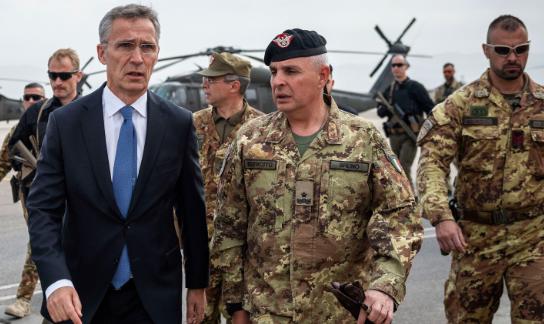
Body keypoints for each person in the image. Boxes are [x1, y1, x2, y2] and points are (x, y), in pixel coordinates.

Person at [211, 28, 422, 324]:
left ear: (323, 76)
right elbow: (229, 226)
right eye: (274, 72)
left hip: (341, 313)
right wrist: (235, 306)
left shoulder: (363, 139)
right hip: (267, 314)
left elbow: (400, 214)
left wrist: (385, 286)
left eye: (291, 71)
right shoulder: (250, 140)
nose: (279, 81)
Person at [26, 4, 209, 324]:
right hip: (79, 295)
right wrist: (55, 281)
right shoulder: (66, 123)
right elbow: (43, 210)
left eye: (147, 47)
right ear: (101, 52)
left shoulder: (178, 124)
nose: (137, 58)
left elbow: (191, 210)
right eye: (125, 45)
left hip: (153, 296)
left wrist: (196, 283)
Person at [417, 15, 544, 323]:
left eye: (521, 49)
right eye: (503, 50)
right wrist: (441, 217)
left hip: (534, 236)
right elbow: (432, 163)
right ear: (487, 51)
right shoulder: (460, 105)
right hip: (474, 237)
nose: (513, 58)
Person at [194, 52, 264, 324]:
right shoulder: (192, 125)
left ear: (234, 85)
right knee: (199, 317)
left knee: (242, 317)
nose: (204, 85)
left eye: (211, 80)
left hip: (244, 249)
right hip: (201, 246)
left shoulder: (262, 129)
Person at [0, 82, 45, 318]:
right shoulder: (19, 129)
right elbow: (4, 158)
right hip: (31, 193)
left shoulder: (58, 123)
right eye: (27, 97)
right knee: (39, 241)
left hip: (65, 195)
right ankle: (24, 299)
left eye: (36, 97)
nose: (30, 101)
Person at [9, 48, 83, 200]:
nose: (57, 82)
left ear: (78, 76)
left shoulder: (91, 111)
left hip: (81, 197)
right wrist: (34, 169)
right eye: (52, 75)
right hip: (44, 199)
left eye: (64, 76)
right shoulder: (35, 112)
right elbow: (14, 149)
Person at [376, 54, 434, 185]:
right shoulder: (389, 90)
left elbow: (431, 109)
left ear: (406, 67)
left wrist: (426, 131)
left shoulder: (416, 87)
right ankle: (401, 200)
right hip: (394, 136)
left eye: (399, 65)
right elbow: (380, 112)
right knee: (394, 169)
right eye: (394, 65)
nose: (396, 68)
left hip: (410, 135)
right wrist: (385, 108)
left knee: (404, 167)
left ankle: (412, 199)